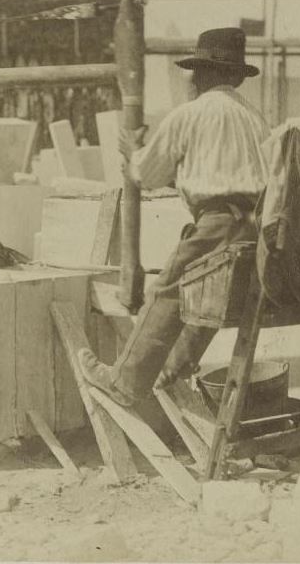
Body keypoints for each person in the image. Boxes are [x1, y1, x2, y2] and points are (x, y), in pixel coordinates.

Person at [78, 26, 272, 407]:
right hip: (256, 227)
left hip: (218, 222)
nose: (191, 80)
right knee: (214, 296)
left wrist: (133, 151)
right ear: (235, 77)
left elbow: (146, 174)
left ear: (203, 75)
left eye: (195, 72)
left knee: (168, 292)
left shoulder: (190, 114)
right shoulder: (255, 119)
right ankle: (173, 367)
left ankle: (123, 383)